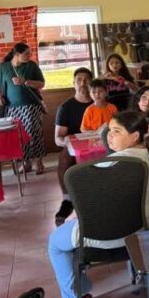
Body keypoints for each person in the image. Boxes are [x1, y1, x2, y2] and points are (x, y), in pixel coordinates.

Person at [48, 111, 149, 298]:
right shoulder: (147, 156)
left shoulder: (111, 164)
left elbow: (89, 205)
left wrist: (74, 218)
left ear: (135, 136)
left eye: (117, 131)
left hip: (115, 235)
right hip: (147, 229)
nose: (109, 136)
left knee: (55, 243)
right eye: (109, 130)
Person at [0, 42, 46, 174]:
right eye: (27, 54)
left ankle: (38, 162)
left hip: (31, 106)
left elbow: (41, 84)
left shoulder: (31, 65)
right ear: (17, 54)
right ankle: (25, 162)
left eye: (30, 53)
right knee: (18, 136)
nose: (30, 56)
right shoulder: (3, 67)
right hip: (12, 107)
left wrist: (26, 82)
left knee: (34, 132)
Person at [54, 67, 94, 226]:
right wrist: (72, 143)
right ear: (73, 83)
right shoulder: (66, 107)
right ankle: (67, 200)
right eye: (79, 80)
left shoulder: (101, 104)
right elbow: (58, 138)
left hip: (99, 145)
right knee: (65, 156)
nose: (83, 83)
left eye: (86, 80)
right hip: (75, 148)